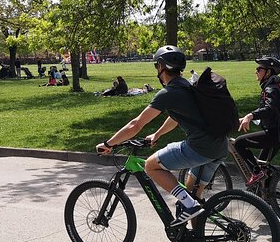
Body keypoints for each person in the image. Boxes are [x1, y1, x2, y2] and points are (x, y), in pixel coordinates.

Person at [96, 45, 228, 228]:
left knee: (151, 166)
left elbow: (136, 124)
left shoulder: (168, 93)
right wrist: (157, 134)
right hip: (219, 147)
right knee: (191, 196)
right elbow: (175, 118)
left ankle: (190, 206)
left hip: (200, 148)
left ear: (161, 67)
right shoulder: (187, 86)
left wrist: (108, 143)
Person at [235, 56, 280, 186]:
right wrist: (245, 118)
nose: (256, 71)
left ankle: (256, 172)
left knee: (239, 143)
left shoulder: (271, 88)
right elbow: (267, 110)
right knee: (264, 165)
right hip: (279, 132)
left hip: (275, 133)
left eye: (259, 69)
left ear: (268, 72)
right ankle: (267, 196)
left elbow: (269, 109)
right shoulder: (273, 86)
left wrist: (251, 116)